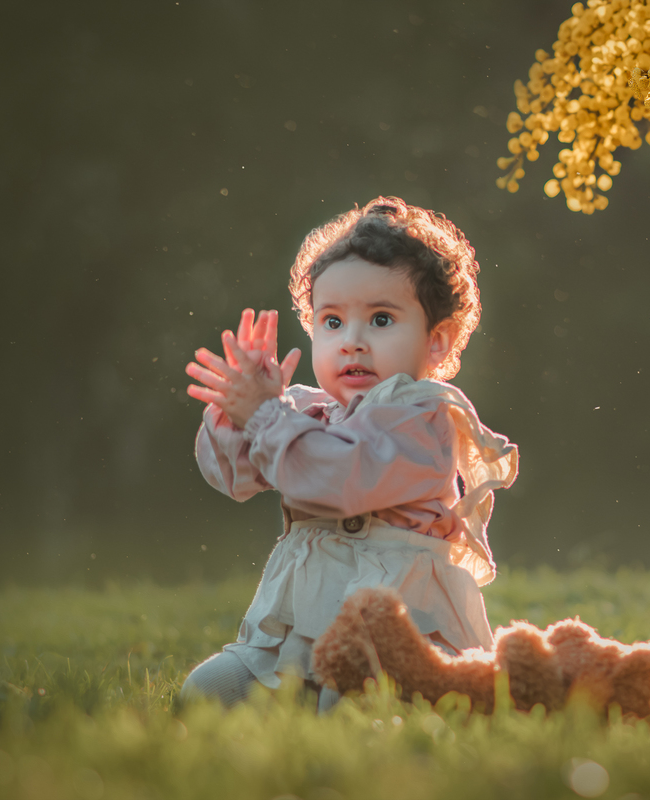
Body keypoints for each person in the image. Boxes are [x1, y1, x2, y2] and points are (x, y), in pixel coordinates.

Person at [179, 198, 518, 709]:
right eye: (332, 322)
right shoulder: (307, 413)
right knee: (205, 693)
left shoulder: (422, 419)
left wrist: (270, 419)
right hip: (298, 638)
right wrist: (242, 412)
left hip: (399, 643)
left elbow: (342, 480)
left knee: (352, 709)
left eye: (381, 320)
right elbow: (236, 477)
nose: (352, 342)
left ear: (438, 342)